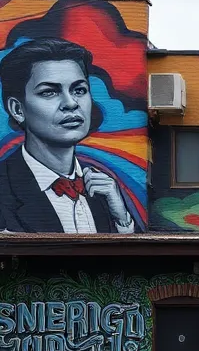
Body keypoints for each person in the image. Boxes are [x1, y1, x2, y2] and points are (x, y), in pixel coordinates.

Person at [0, 38, 135, 234]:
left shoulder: (103, 189)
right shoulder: (5, 186)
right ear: (17, 109)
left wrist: (122, 219)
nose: (71, 103)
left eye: (79, 90)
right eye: (49, 92)